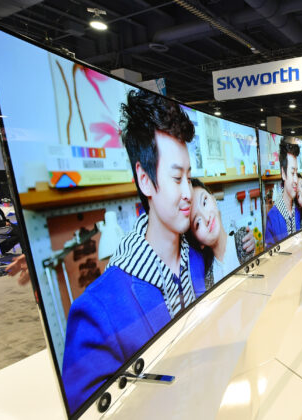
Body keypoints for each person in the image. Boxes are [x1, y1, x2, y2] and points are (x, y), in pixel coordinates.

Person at [62, 90, 206, 413]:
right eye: (176, 178)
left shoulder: (196, 262)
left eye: (189, 177)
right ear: (145, 179)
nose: (188, 192)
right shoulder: (98, 313)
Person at [188, 178, 256, 287]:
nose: (206, 218)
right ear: (199, 242)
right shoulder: (207, 276)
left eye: (204, 202)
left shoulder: (242, 241)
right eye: (197, 223)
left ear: (213, 199)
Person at [264, 140, 302, 247]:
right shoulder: (272, 217)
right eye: (292, 173)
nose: (296, 179)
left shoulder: (299, 210)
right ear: (283, 174)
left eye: (296, 173)